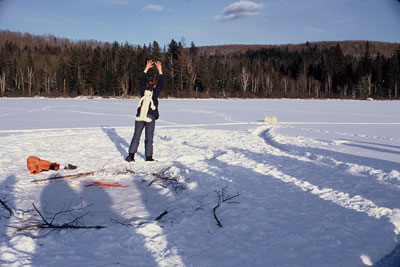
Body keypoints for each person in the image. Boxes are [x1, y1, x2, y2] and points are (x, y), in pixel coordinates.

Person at [126, 60, 164, 162]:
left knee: (136, 135)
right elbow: (161, 83)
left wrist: (146, 68)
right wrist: (160, 70)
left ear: (147, 84)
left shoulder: (143, 90)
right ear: (154, 86)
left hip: (140, 115)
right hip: (150, 116)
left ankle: (131, 156)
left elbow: (141, 80)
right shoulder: (155, 92)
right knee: (149, 137)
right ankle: (148, 157)